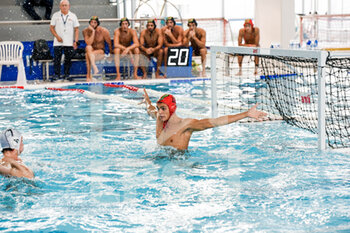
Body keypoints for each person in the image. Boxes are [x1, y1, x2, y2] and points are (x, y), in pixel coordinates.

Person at [142, 89, 267, 150]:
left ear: (172, 108)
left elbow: (215, 122)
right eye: (159, 109)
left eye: (163, 108)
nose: (160, 112)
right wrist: (147, 101)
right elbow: (151, 110)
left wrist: (246, 114)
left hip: (180, 163)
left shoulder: (186, 124)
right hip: (161, 158)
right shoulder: (159, 117)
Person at [49, 0, 80, 82]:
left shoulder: (73, 16)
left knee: (68, 59)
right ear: (60, 6)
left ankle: (67, 75)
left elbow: (76, 29)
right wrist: (57, 36)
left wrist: (76, 41)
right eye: (62, 5)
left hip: (69, 42)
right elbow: (51, 28)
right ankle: (57, 75)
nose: (64, 7)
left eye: (66, 5)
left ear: (69, 6)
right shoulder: (55, 15)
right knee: (57, 59)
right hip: (58, 41)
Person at [82, 16, 113, 82]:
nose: (93, 24)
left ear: (98, 23)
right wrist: (93, 31)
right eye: (91, 22)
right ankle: (94, 66)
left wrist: (111, 54)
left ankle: (88, 76)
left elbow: (109, 43)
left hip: (100, 52)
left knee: (88, 55)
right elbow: (89, 43)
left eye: (95, 22)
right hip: (91, 52)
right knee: (88, 48)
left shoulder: (104, 31)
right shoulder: (85, 31)